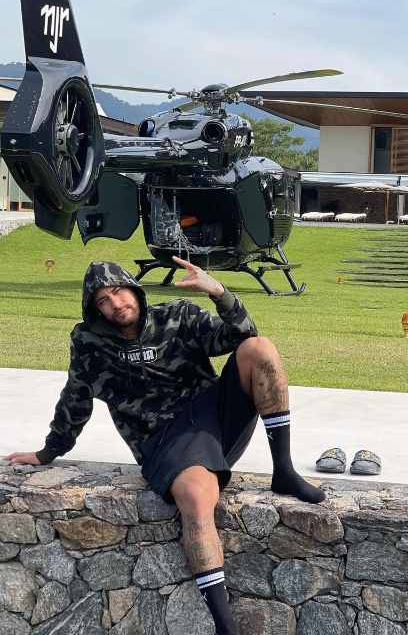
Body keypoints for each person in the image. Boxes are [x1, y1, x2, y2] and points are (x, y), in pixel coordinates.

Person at [3, 257, 324, 635]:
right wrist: (47, 452)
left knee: (260, 347)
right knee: (195, 495)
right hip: (162, 441)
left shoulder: (179, 315)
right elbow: (75, 401)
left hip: (211, 418)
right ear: (95, 308)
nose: (116, 302)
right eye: (103, 299)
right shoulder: (88, 342)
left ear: (133, 289)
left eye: (119, 290)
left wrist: (219, 292)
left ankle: (283, 470)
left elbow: (241, 335)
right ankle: (226, 626)